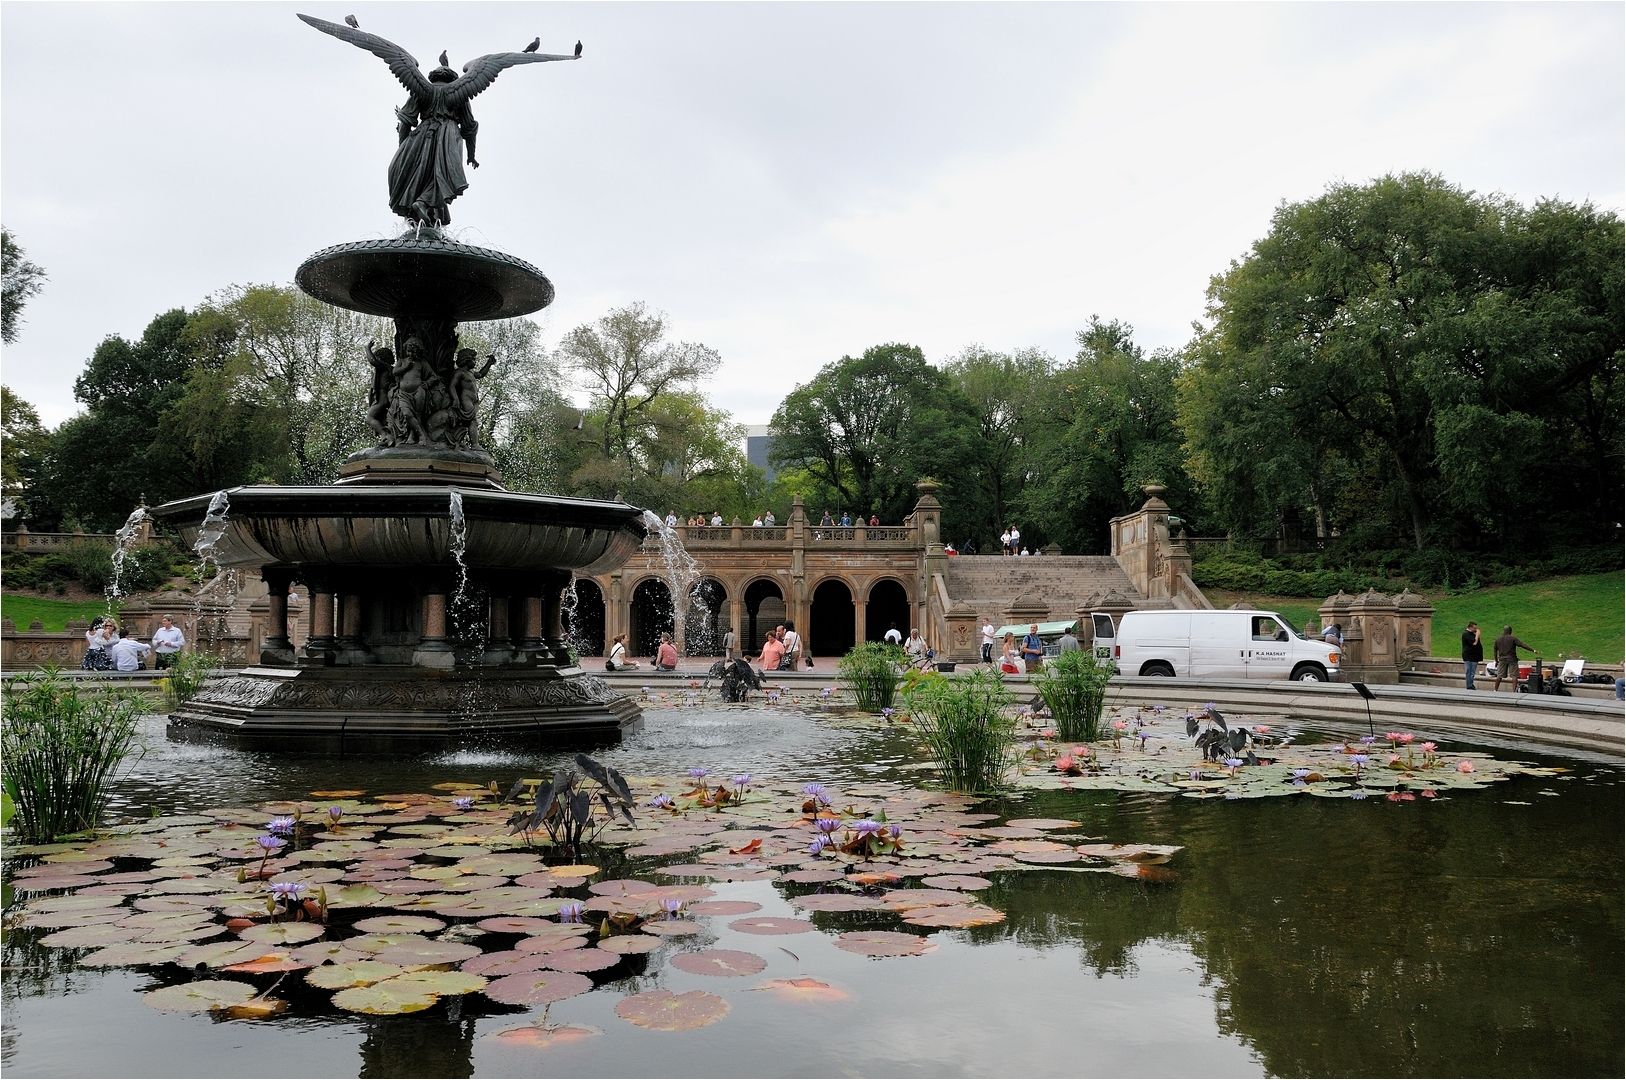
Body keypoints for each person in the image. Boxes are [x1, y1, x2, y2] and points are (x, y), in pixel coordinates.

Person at [1492, 625, 1534, 692]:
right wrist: (1532, 650)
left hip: (1502, 659)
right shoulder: (1513, 638)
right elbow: (1522, 645)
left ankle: (1495, 690)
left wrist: (1496, 660)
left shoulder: (1498, 639)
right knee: (1514, 676)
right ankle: (1514, 691)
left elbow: (1495, 650)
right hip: (1512, 659)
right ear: (1510, 631)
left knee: (1499, 675)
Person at [1460, 621, 1483, 691]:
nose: (1475, 630)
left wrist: (1477, 635)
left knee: (1472, 672)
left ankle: (1471, 684)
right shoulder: (1466, 634)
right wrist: (1477, 635)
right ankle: (1469, 685)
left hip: (1474, 656)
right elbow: (1474, 643)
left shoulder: (1472, 634)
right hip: (1469, 656)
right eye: (1474, 628)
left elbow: (1477, 641)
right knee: (1469, 671)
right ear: (1470, 627)